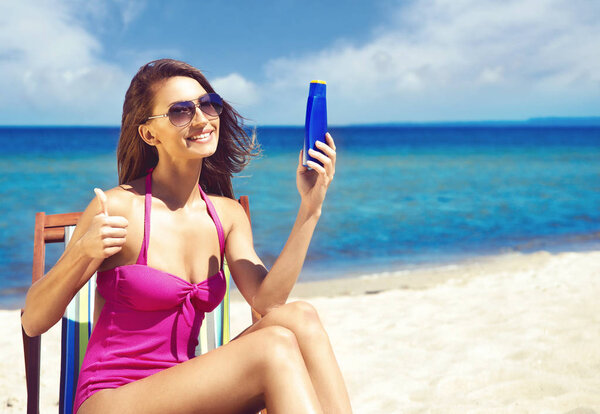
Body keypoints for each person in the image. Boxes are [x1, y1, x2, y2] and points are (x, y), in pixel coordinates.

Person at [21, 59, 352, 414]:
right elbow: (33, 320)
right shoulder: (120, 207)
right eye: (180, 111)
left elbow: (267, 304)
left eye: (208, 104)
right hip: (115, 397)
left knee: (300, 317)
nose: (201, 119)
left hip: (187, 390)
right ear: (149, 134)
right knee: (273, 347)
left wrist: (310, 208)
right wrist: (82, 252)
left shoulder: (226, 215)